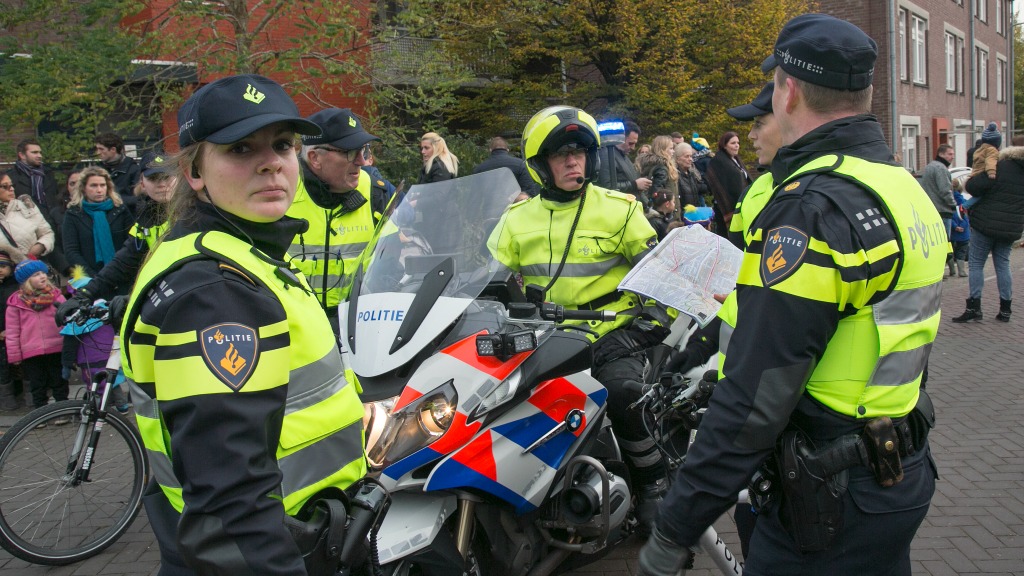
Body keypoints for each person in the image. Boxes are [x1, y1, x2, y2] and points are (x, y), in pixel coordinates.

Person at [640, 14, 942, 576]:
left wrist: (673, 531)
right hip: (898, 468)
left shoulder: (812, 209)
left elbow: (757, 398)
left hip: (831, 495)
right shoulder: (902, 185)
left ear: (788, 89)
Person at [119, 73, 366, 576]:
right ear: (194, 172)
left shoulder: (236, 253)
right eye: (239, 148)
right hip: (277, 548)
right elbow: (230, 508)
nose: (270, 161)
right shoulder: (217, 293)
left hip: (299, 531)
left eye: (282, 144)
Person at [487, 105, 673, 533]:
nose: (573, 161)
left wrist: (645, 326)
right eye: (560, 154)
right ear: (538, 166)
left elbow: (660, 278)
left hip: (612, 333)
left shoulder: (620, 210)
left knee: (624, 392)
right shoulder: (516, 221)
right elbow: (486, 281)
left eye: (580, 152)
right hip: (544, 340)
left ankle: (654, 486)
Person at [289, 107, 386, 333]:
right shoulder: (281, 191)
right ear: (315, 157)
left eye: (364, 150)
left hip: (357, 326)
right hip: (294, 327)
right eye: (350, 152)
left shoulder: (374, 192)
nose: (362, 161)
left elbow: (389, 263)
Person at [55, 153, 175, 320]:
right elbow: (124, 260)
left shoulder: (191, 212)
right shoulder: (147, 218)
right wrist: (86, 293)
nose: (162, 184)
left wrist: (140, 297)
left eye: (167, 177)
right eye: (154, 178)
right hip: (159, 301)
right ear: (143, 183)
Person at [952, 144, 1024, 323]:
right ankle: (1005, 309)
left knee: (976, 264)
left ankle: (974, 307)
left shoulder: (999, 166)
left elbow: (974, 188)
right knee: (1003, 265)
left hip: (985, 224)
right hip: (1010, 228)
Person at [6, 259, 67, 413]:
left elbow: (67, 321)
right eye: (36, 274)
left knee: (59, 380)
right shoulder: (16, 304)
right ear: (26, 281)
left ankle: (63, 410)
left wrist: (69, 345)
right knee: (37, 383)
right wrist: (14, 355)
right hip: (31, 351)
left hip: (56, 347)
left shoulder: (57, 297)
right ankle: (40, 412)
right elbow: (13, 331)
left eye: (43, 273)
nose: (42, 276)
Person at [61, 167, 134, 278]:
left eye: (102, 185)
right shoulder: (73, 214)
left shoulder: (120, 209)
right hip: (90, 278)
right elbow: (71, 252)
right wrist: (95, 278)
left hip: (122, 274)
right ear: (84, 188)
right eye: (93, 185)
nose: (99, 190)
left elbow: (131, 243)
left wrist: (121, 269)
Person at [0, 173, 55, 264]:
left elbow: (47, 233)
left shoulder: (27, 206)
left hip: (32, 270)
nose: (12, 189)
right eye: (5, 186)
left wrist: (40, 246)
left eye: (12, 185)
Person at [705, 131, 752, 238]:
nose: (736, 146)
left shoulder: (737, 161)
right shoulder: (718, 161)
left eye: (738, 143)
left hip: (741, 204)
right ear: (724, 145)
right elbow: (719, 185)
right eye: (733, 143)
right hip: (726, 207)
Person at [920, 144, 957, 276]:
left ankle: (951, 270)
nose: (952, 157)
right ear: (941, 154)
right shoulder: (941, 168)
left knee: (936, 242)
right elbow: (945, 190)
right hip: (942, 210)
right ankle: (943, 270)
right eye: (949, 154)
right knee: (945, 243)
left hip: (930, 209)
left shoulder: (929, 167)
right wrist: (954, 205)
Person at [596, 120, 653, 203]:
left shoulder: (623, 156)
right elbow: (607, 187)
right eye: (630, 143)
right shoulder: (606, 154)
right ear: (621, 139)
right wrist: (635, 185)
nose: (633, 148)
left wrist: (648, 206)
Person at [6, 139, 60, 220]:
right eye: (34, 152)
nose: (39, 156)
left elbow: (55, 196)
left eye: (40, 152)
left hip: (52, 221)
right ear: (22, 155)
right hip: (26, 223)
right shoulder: (11, 177)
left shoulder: (48, 173)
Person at [472, 136, 539, 197]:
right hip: (514, 207)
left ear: (490, 150)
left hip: (490, 209)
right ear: (507, 150)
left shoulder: (479, 169)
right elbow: (530, 191)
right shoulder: (520, 164)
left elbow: (475, 195)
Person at [0, 252, 21, 411]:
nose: (0, 270)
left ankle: (28, 397)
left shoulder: (17, 287)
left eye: (3, 266)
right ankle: (7, 399)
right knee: (3, 368)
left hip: (17, 332)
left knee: (22, 366)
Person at [93, 133, 141, 199]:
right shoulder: (96, 169)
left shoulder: (134, 170)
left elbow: (136, 197)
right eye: (97, 149)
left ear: (113, 150)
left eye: (101, 149)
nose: (98, 152)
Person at [637, 136, 679, 202]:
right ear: (662, 150)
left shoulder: (652, 165)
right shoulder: (661, 168)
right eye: (671, 148)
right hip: (665, 208)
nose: (673, 151)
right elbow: (658, 194)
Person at [674, 142, 709, 210]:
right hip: (682, 216)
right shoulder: (674, 175)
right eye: (687, 156)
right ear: (677, 159)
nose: (690, 159)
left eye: (691, 156)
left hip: (693, 215)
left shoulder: (691, 174)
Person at [950, 183, 970, 278]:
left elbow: (950, 217)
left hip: (953, 233)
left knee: (950, 251)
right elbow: (966, 218)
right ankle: (961, 271)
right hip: (964, 234)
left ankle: (952, 270)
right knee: (961, 252)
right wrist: (962, 226)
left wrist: (955, 226)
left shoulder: (948, 202)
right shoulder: (964, 202)